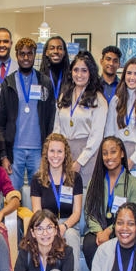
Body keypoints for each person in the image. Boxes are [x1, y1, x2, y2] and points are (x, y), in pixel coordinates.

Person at [0, 37, 56, 191]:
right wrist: (3, 155)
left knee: (39, 193)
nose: (26, 58)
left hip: (38, 150)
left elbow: (51, 119)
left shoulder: (45, 82)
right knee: (12, 194)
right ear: (16, 55)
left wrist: (47, 150)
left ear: (35, 55)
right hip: (14, 150)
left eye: (30, 53)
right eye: (22, 54)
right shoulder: (8, 83)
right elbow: (0, 123)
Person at [30, 133, 83, 271]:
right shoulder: (37, 179)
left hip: (69, 224)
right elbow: (37, 212)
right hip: (45, 224)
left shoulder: (75, 178)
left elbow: (77, 212)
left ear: (65, 154)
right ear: (46, 154)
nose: (55, 155)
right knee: (42, 235)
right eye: (52, 151)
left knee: (71, 236)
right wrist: (50, 228)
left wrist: (63, 227)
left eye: (60, 151)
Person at [82, 137, 136, 269]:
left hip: (122, 229)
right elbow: (89, 211)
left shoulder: (133, 183)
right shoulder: (95, 181)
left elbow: (135, 214)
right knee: (89, 245)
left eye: (113, 152)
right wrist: (99, 232)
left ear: (122, 153)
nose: (109, 157)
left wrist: (109, 231)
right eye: (105, 153)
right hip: (97, 229)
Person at [53, 51, 109, 184]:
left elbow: (96, 136)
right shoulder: (64, 95)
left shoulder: (98, 100)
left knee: (83, 190)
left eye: (84, 70)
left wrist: (80, 161)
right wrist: (57, 152)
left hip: (87, 155)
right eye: (76, 70)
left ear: (91, 73)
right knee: (63, 190)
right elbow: (57, 127)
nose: (79, 75)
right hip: (64, 152)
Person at [39, 35, 70, 101]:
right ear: (46, 52)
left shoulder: (71, 77)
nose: (56, 51)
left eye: (60, 48)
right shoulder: (39, 78)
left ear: (64, 52)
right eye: (52, 48)